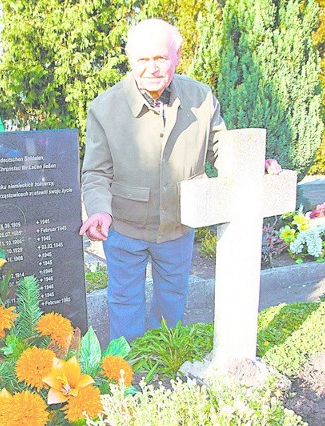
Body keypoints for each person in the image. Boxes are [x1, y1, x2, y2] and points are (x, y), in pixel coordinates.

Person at [79, 19, 281, 342]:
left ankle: (162, 364)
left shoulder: (201, 98)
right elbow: (95, 173)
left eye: (160, 57)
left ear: (177, 55)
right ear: (130, 60)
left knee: (172, 302)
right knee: (125, 301)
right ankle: (127, 373)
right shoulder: (104, 108)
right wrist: (99, 210)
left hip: (178, 225)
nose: (152, 68)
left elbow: (220, 148)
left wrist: (251, 165)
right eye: (142, 60)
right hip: (125, 227)